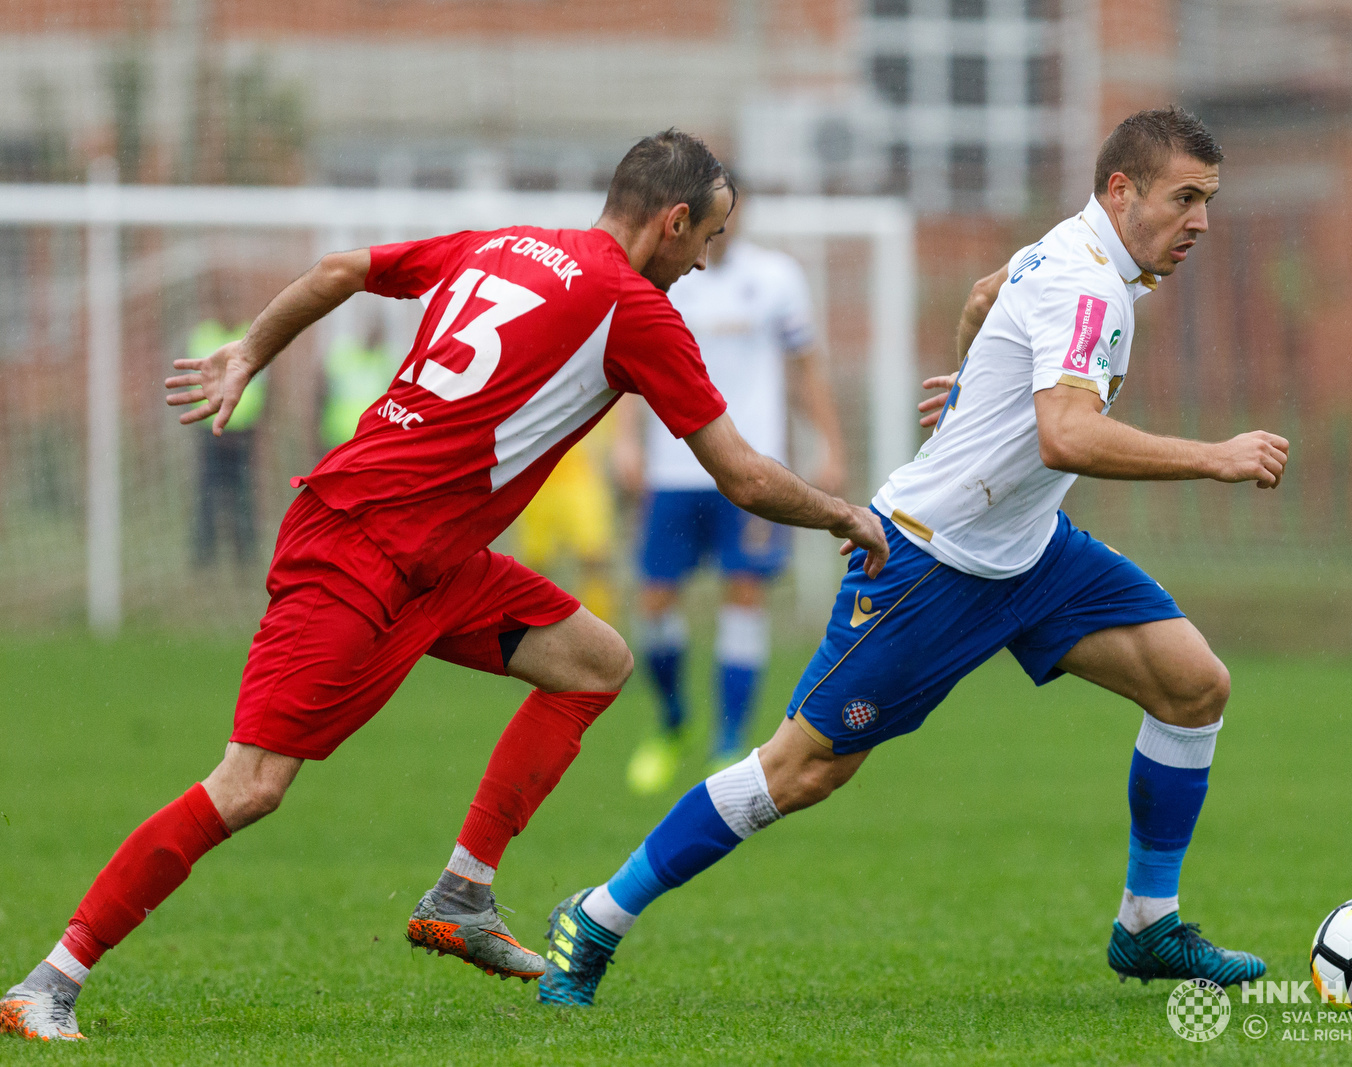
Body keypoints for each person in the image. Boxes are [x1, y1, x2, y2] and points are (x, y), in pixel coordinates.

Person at [0, 129, 888, 1044]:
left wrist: (249, 352)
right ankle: (49, 979)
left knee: (593, 661)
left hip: (434, 560)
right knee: (252, 783)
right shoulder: (632, 307)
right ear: (671, 222)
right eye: (706, 238)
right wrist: (843, 514)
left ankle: (463, 890)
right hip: (356, 546)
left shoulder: (501, 244)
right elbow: (739, 474)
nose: (705, 261)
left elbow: (342, 268)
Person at [536, 107, 1289, 1008]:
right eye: (1186, 198)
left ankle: (1145, 923)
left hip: (1032, 554)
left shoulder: (1081, 251)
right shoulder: (1089, 285)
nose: (1201, 220)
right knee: (800, 770)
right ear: (1121, 191)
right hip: (927, 564)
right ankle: (600, 914)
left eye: (1208, 200)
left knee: (1193, 685)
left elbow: (982, 293)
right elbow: (1066, 436)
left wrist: (975, 380)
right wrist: (1217, 455)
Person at [614, 200, 849, 793]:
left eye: (729, 212)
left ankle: (726, 743)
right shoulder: (660, 281)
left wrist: (830, 444)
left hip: (752, 468)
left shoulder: (776, 279)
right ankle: (672, 724)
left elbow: (805, 368)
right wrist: (627, 443)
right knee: (656, 603)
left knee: (743, 595)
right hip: (674, 467)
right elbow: (631, 365)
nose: (721, 226)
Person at [511, 411, 620, 623]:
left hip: (583, 474)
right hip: (538, 477)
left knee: (594, 558)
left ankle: (598, 629)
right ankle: (535, 627)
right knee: (535, 565)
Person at [190, 315, 267, 566]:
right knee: (207, 499)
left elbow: (264, 388)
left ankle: (245, 555)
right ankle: (204, 556)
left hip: (242, 436)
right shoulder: (203, 336)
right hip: (211, 434)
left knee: (243, 498)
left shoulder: (250, 336)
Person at [320, 320, 398, 452]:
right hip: (339, 435)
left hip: (364, 437)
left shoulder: (385, 365)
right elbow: (323, 390)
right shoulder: (346, 356)